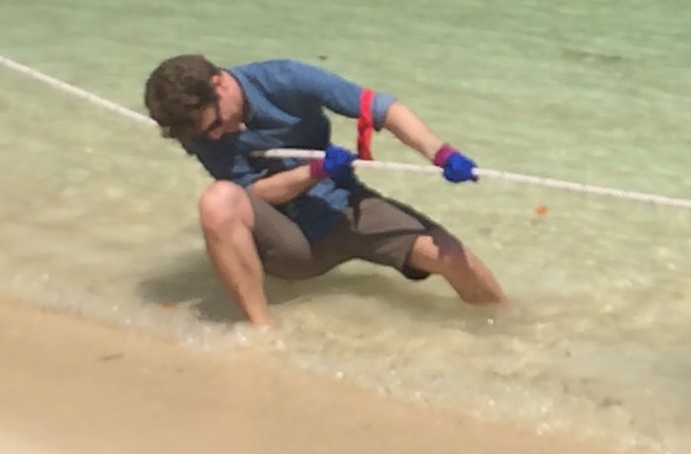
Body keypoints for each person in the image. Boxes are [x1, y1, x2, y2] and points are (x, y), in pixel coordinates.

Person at [142, 53, 505, 329]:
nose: (216, 137)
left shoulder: (284, 78)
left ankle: (506, 329)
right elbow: (257, 194)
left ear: (219, 84)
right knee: (217, 200)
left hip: (342, 206)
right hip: (286, 240)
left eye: (217, 124)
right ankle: (262, 333)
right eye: (206, 135)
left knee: (453, 257)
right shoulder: (199, 131)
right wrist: (313, 172)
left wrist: (440, 153)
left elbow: (381, 109)